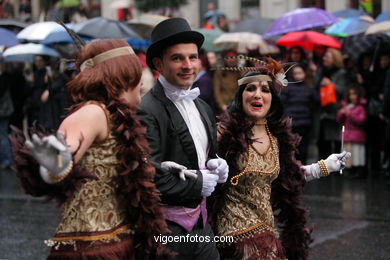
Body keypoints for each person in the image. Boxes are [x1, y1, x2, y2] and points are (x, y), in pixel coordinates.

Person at [11, 38, 170, 259]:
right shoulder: (94, 112)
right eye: (136, 79)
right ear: (120, 77)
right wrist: (56, 166)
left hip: (120, 241)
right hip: (92, 249)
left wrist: (158, 168)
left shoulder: (116, 118)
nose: (140, 88)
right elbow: (63, 160)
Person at [211, 57, 350, 259]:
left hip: (267, 233)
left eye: (265, 90)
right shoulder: (224, 133)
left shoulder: (276, 137)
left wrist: (325, 166)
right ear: (241, 96)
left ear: (272, 99)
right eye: (250, 89)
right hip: (233, 237)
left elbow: (288, 180)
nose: (257, 95)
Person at [139, 17, 229, 259]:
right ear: (159, 63)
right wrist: (198, 183)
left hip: (203, 225)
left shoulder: (202, 106)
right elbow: (148, 176)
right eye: (177, 58)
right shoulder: (148, 109)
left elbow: (205, 154)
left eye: (192, 57)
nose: (188, 65)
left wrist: (216, 163)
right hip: (166, 229)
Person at [281, 64, 319, 164]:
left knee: (303, 147)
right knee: (292, 147)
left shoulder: (309, 87)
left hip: (304, 122)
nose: (297, 75)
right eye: (295, 73)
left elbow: (317, 101)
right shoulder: (287, 87)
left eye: (300, 73)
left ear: (304, 74)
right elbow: (282, 103)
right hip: (292, 122)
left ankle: (302, 167)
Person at [337, 86, 367, 178]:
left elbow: (362, 120)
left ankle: (358, 170)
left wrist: (351, 115)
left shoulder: (360, 108)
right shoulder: (345, 106)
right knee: (347, 153)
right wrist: (341, 114)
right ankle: (348, 169)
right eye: (350, 94)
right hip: (347, 134)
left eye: (354, 94)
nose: (352, 96)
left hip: (357, 134)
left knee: (357, 153)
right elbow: (339, 120)